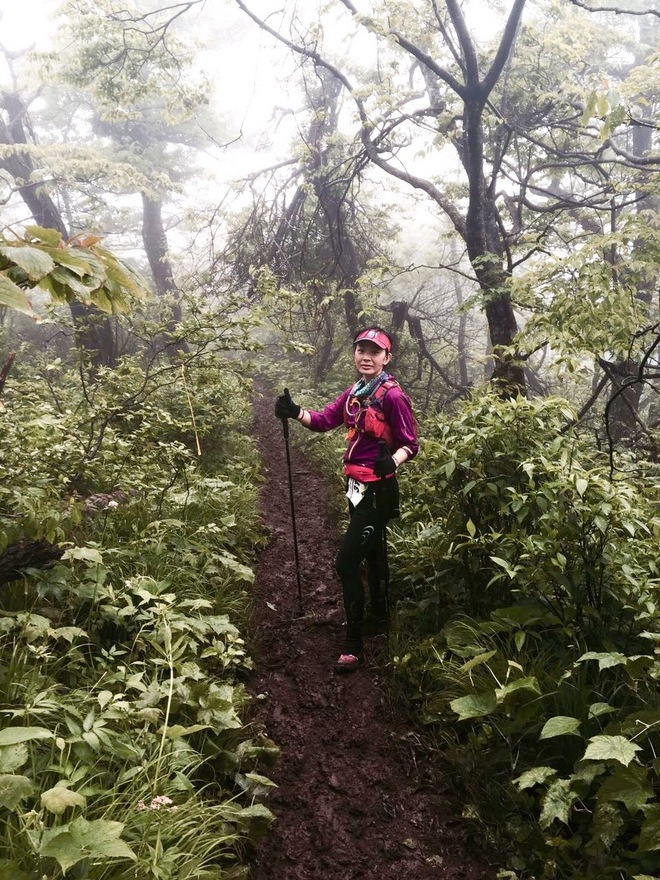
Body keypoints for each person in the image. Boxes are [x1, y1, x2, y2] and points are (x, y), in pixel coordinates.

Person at [275, 327, 418, 673]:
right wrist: (294, 411)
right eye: (361, 350)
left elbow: (410, 443)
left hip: (377, 492)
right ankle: (380, 618)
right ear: (355, 354)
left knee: (345, 564)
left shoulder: (393, 397)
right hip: (356, 486)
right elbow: (324, 420)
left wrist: (393, 460)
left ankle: (354, 645)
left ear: (387, 357)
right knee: (374, 552)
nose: (366, 357)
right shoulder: (354, 392)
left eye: (374, 351)